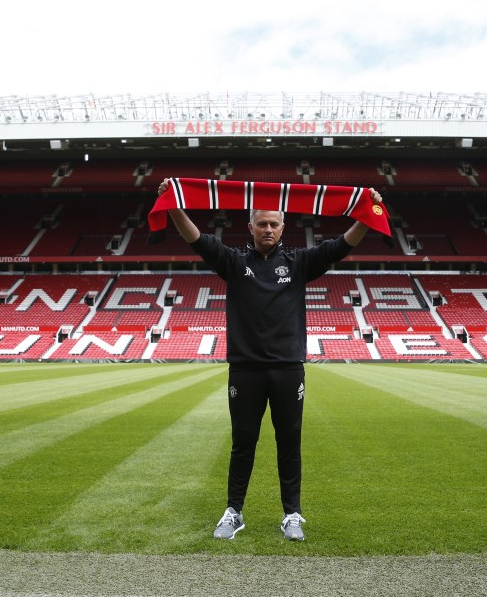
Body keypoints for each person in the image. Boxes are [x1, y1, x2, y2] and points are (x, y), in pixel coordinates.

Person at [157, 178, 384, 542]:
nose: (267, 229)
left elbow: (341, 246)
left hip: (287, 369)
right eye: (260, 223)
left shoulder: (299, 263)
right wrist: (171, 205)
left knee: (289, 442)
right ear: (250, 227)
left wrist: (368, 212)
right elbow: (196, 239)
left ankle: (292, 514)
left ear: (283, 227)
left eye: (273, 223)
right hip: (245, 370)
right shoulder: (233, 262)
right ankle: (234, 511)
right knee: (243, 442)